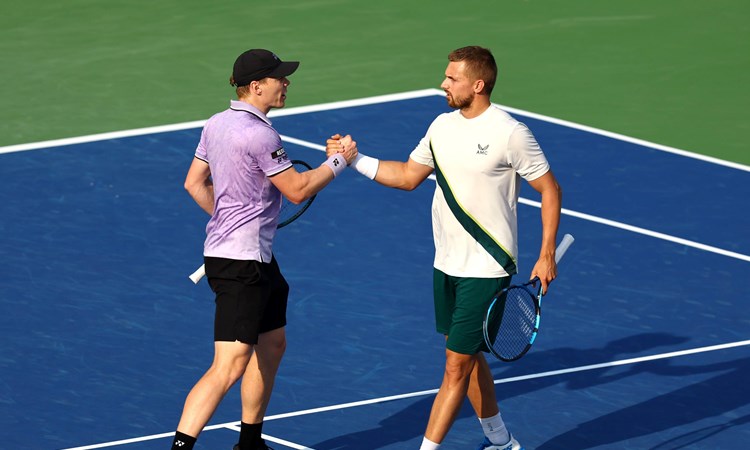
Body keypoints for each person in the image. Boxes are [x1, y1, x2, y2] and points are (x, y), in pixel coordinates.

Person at [327, 46, 562, 450]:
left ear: (478, 84)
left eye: (451, 78)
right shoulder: (440, 126)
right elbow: (406, 176)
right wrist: (354, 159)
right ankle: (502, 441)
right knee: (467, 357)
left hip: (487, 267)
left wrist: (546, 253)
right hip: (447, 263)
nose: (443, 84)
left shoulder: (510, 133)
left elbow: (549, 189)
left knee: (455, 365)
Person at [173, 48, 357, 450]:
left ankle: (250, 442)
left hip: (253, 259)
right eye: (279, 78)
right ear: (256, 87)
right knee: (229, 365)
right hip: (242, 266)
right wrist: (339, 161)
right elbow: (297, 190)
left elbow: (194, 183)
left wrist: (230, 220)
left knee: (272, 345)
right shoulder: (261, 134)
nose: (286, 83)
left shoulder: (216, 123)